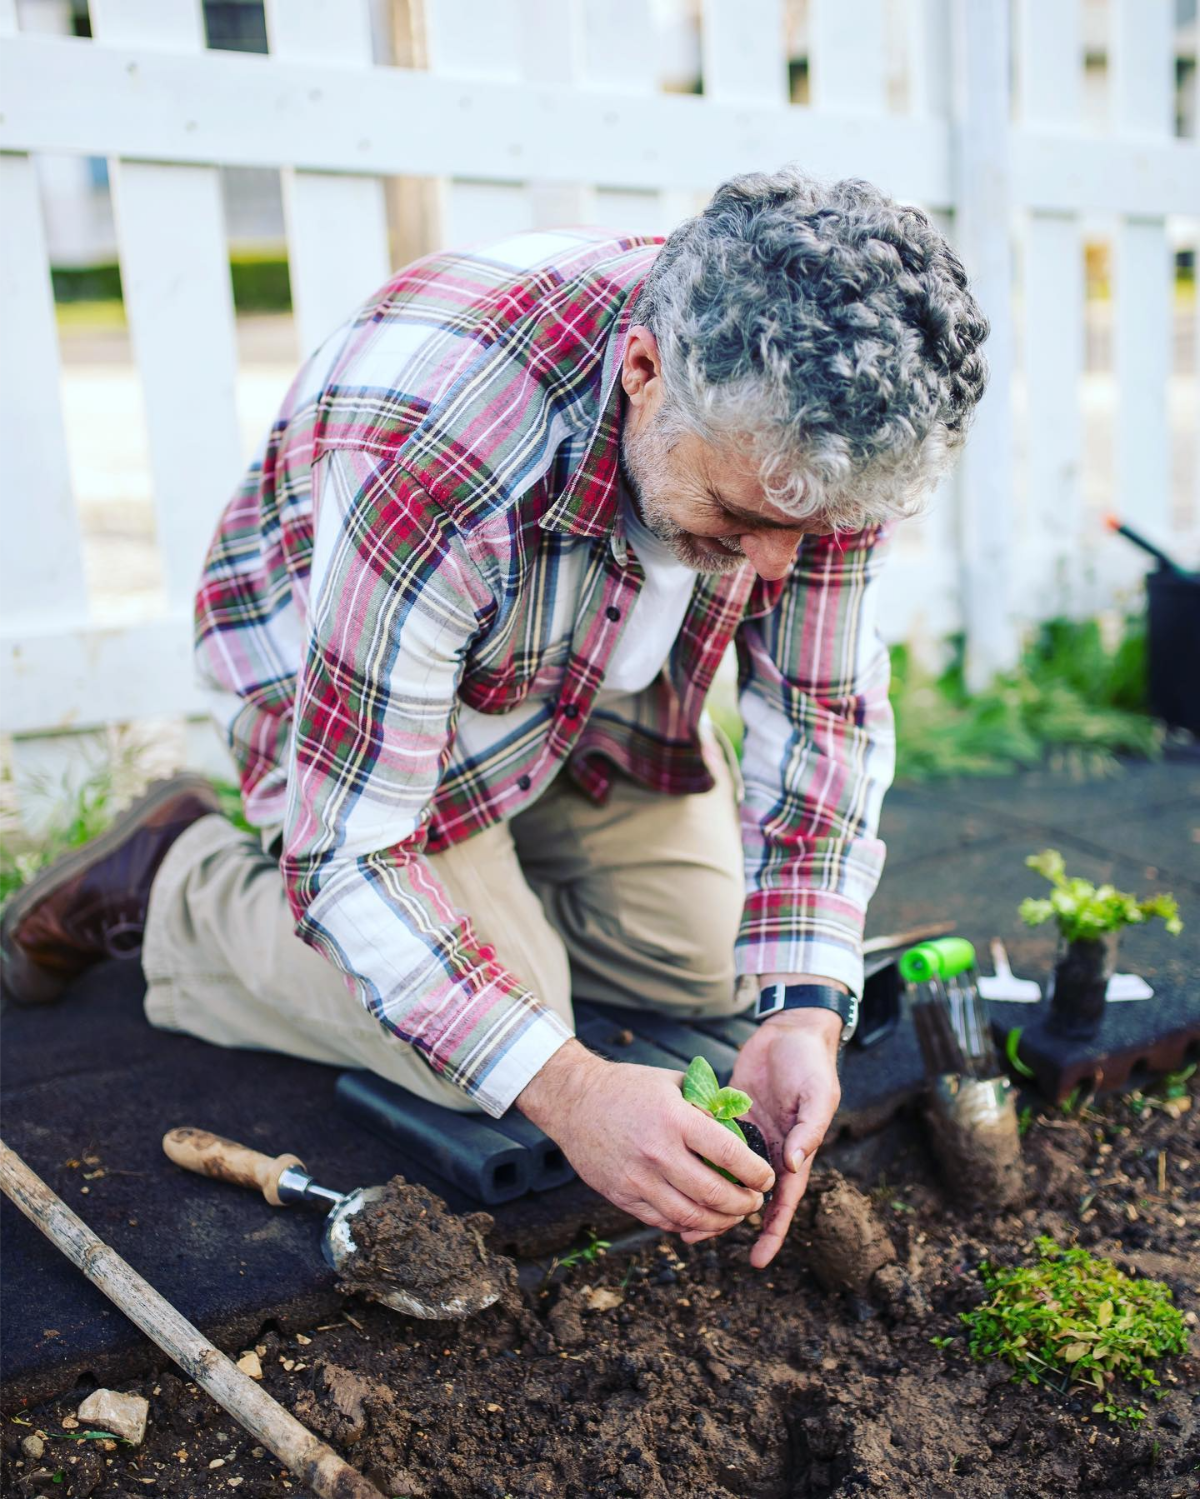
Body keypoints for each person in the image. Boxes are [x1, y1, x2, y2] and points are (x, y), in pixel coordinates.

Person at [1, 167, 989, 1268]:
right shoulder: (442, 459)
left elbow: (821, 712)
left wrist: (806, 1005)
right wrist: (567, 1086)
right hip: (359, 704)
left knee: (719, 963)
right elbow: (354, 854)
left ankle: (500, 887)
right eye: (740, 517)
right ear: (645, 374)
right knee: (484, 1038)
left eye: (809, 532)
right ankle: (177, 879)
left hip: (577, 686)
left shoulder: (813, 437)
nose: (773, 566)